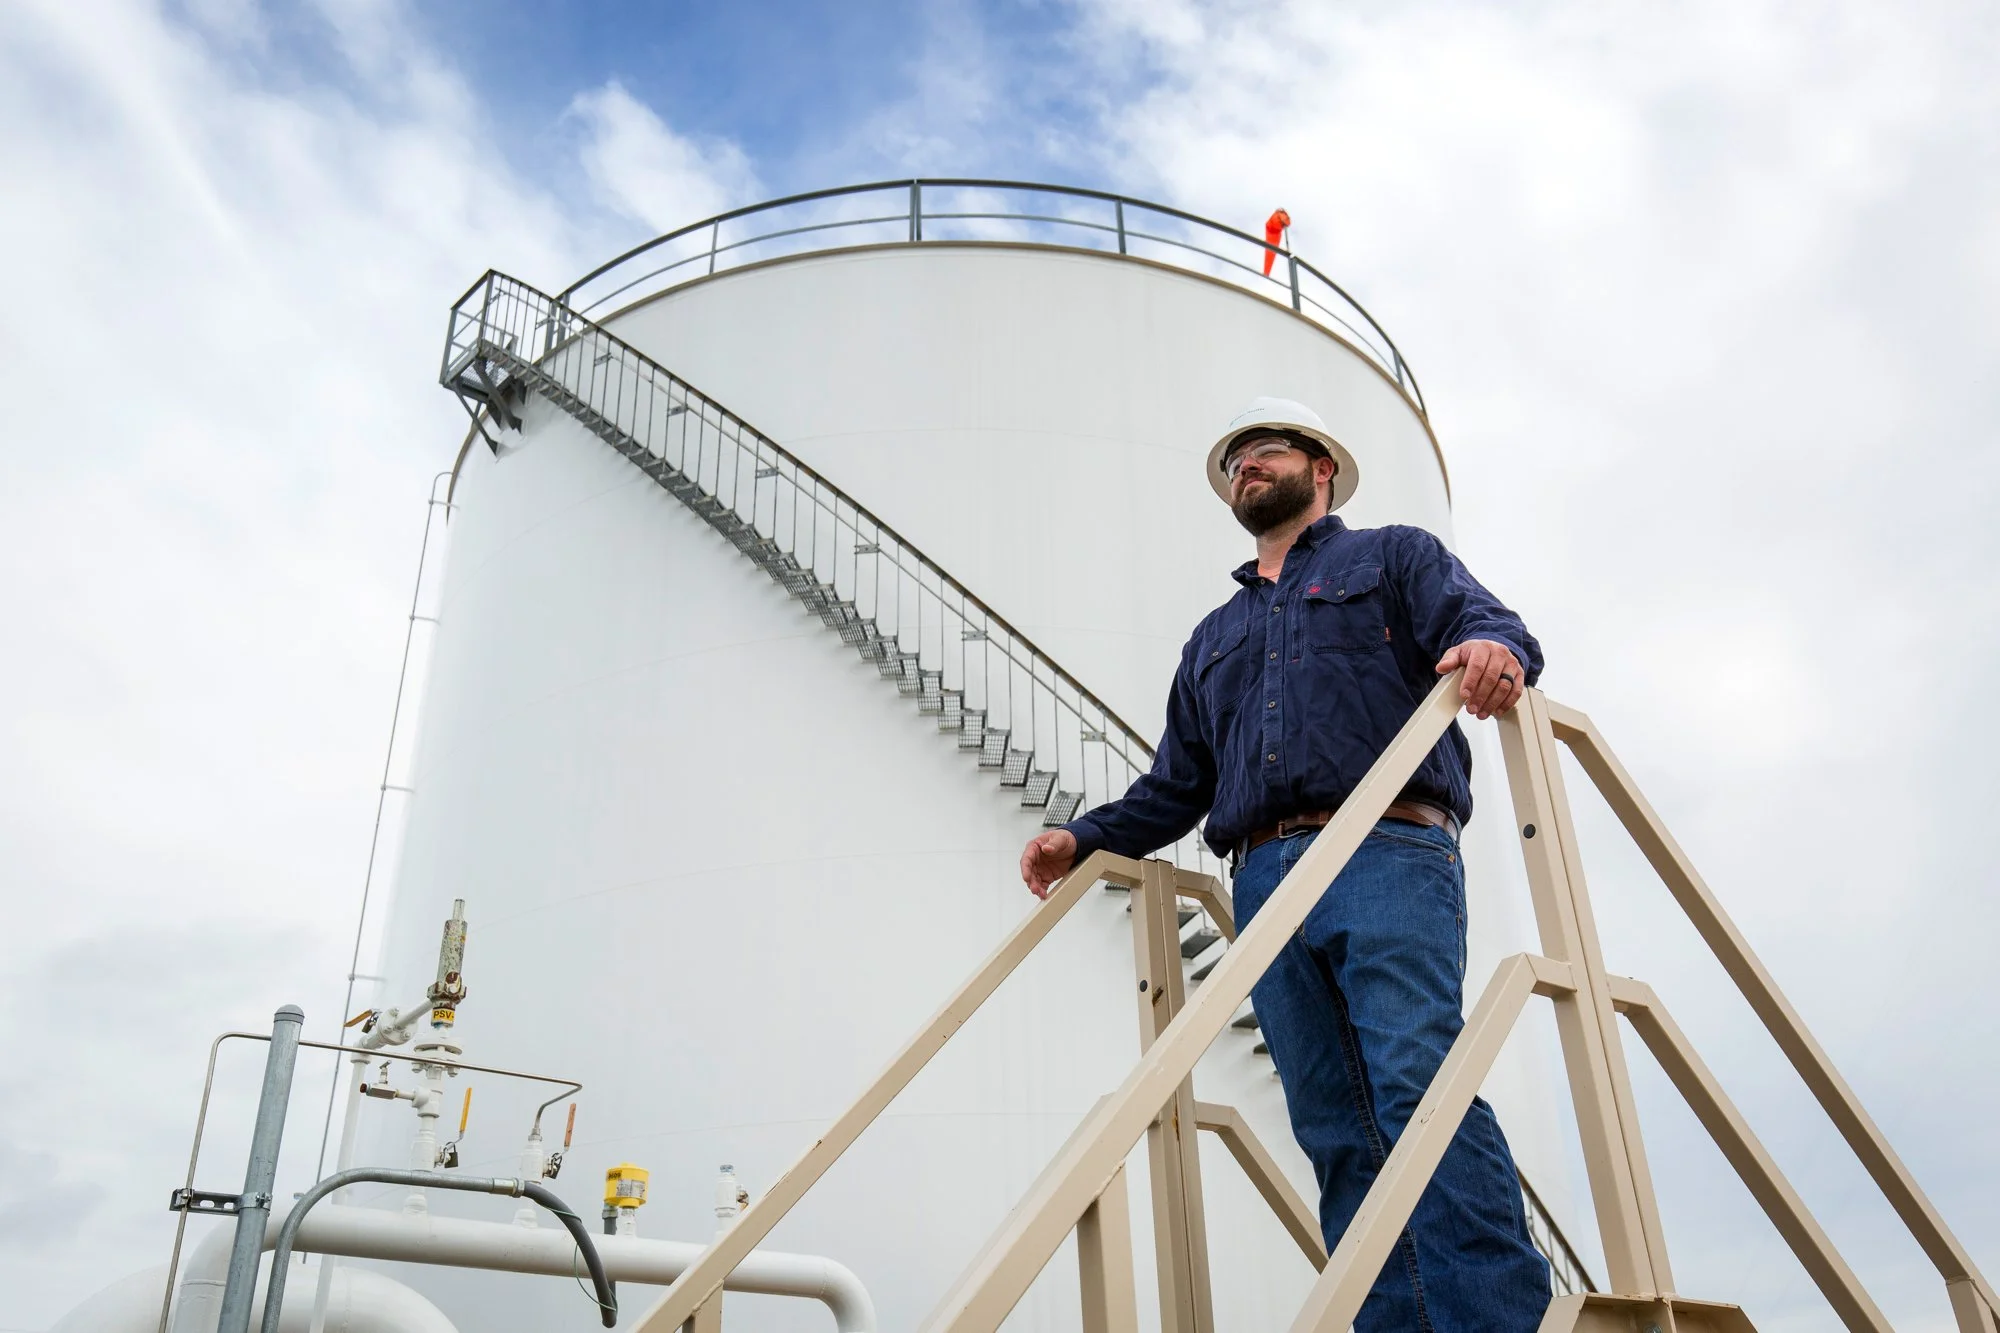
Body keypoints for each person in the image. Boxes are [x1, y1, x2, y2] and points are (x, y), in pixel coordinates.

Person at [1019, 397, 1551, 1332]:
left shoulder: (1392, 556)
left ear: (1323, 470)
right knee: (1335, 1125)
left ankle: (1496, 1319)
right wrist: (1087, 837)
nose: (1245, 469)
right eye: (1233, 464)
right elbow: (1176, 785)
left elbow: (1488, 621)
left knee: (1413, 1081)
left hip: (1387, 845)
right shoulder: (1212, 637)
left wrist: (1491, 650)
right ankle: (1393, 1321)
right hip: (1263, 878)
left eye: (1264, 452)